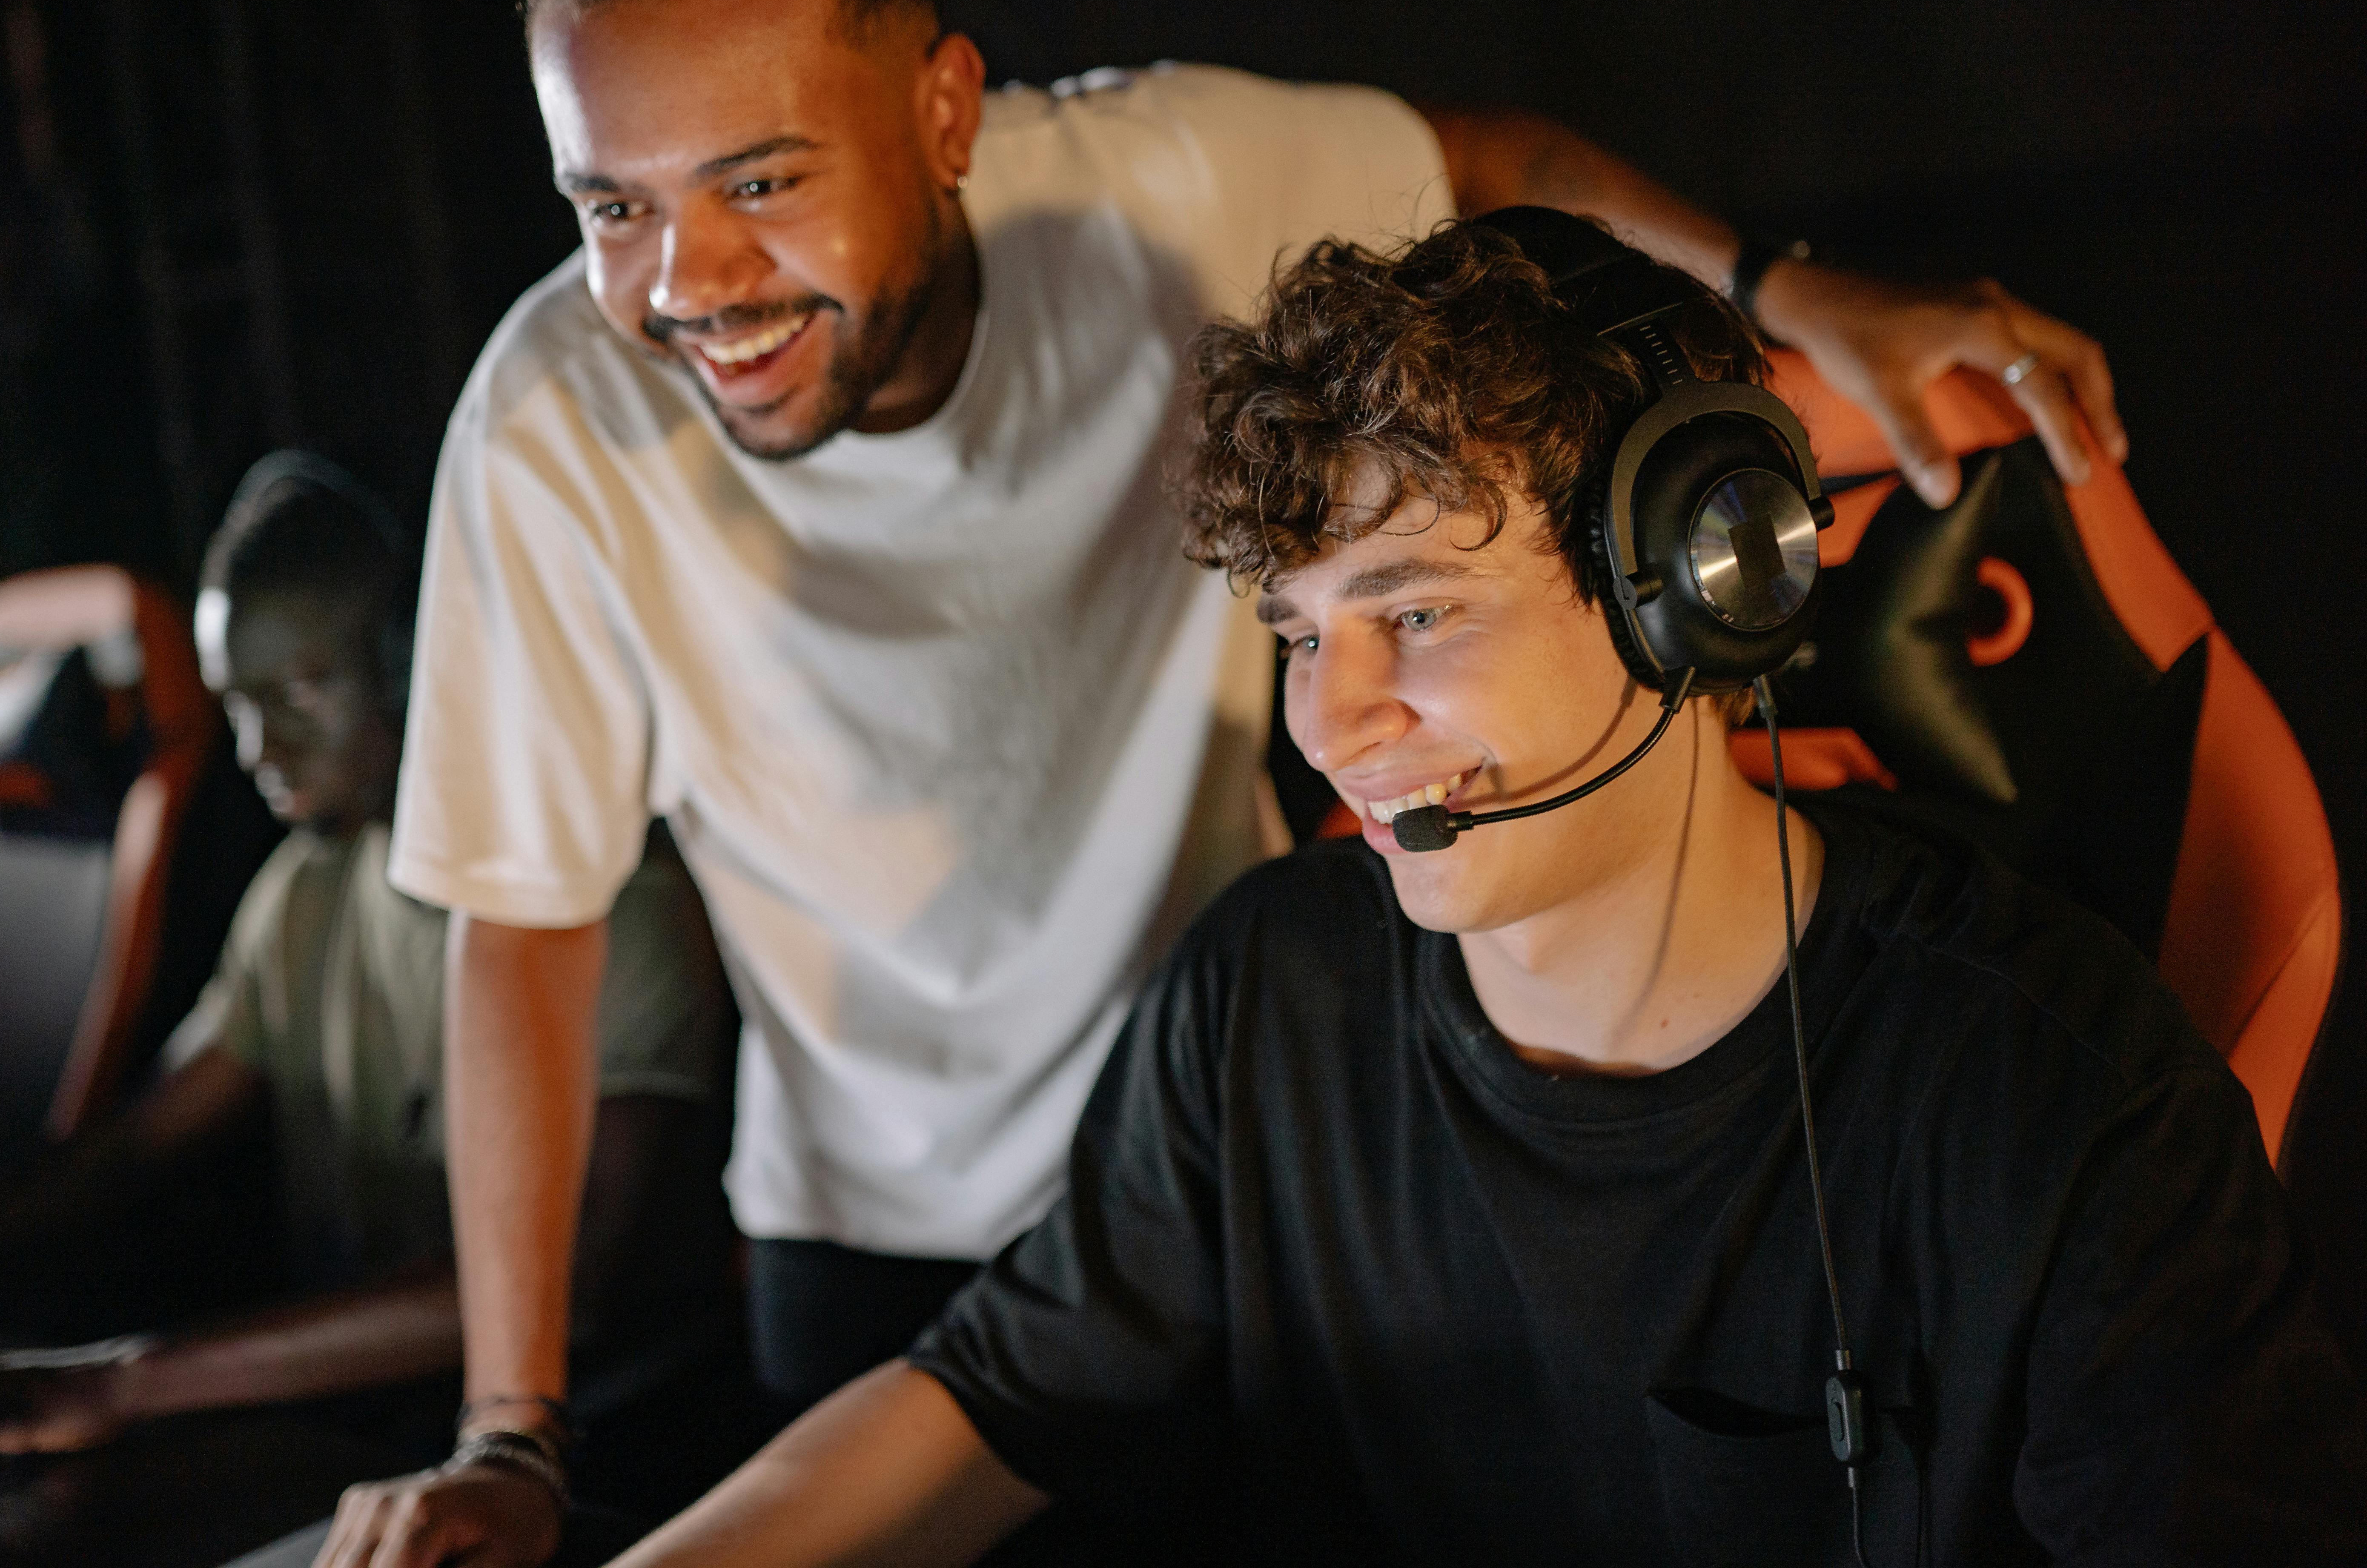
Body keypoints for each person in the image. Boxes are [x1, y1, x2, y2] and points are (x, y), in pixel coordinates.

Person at [327, 0, 2133, 1559]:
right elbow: (527, 920)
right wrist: (514, 1431)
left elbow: (1486, 157)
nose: (685, 282)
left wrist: (1787, 290)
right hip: (905, 1228)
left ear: (946, 112)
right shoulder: (553, 425)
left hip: (1260, 1163)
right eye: (611, 205)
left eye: (764, 183)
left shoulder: (1154, 189)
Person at [582, 216, 2367, 1565]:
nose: (1335, 719)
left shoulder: (2064, 1104)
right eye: (1299, 632)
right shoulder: (1266, 999)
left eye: (1420, 610)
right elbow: (990, 1394)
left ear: (1698, 588)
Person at [0, 456, 735, 1514]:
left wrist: (115, 1381)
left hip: (590, 1458)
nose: (258, 747)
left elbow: (575, 1283)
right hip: (370, 1430)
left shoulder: (621, 902)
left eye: (299, 691)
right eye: (237, 705)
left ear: (417, 666)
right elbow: (121, 1157)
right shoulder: (305, 893)